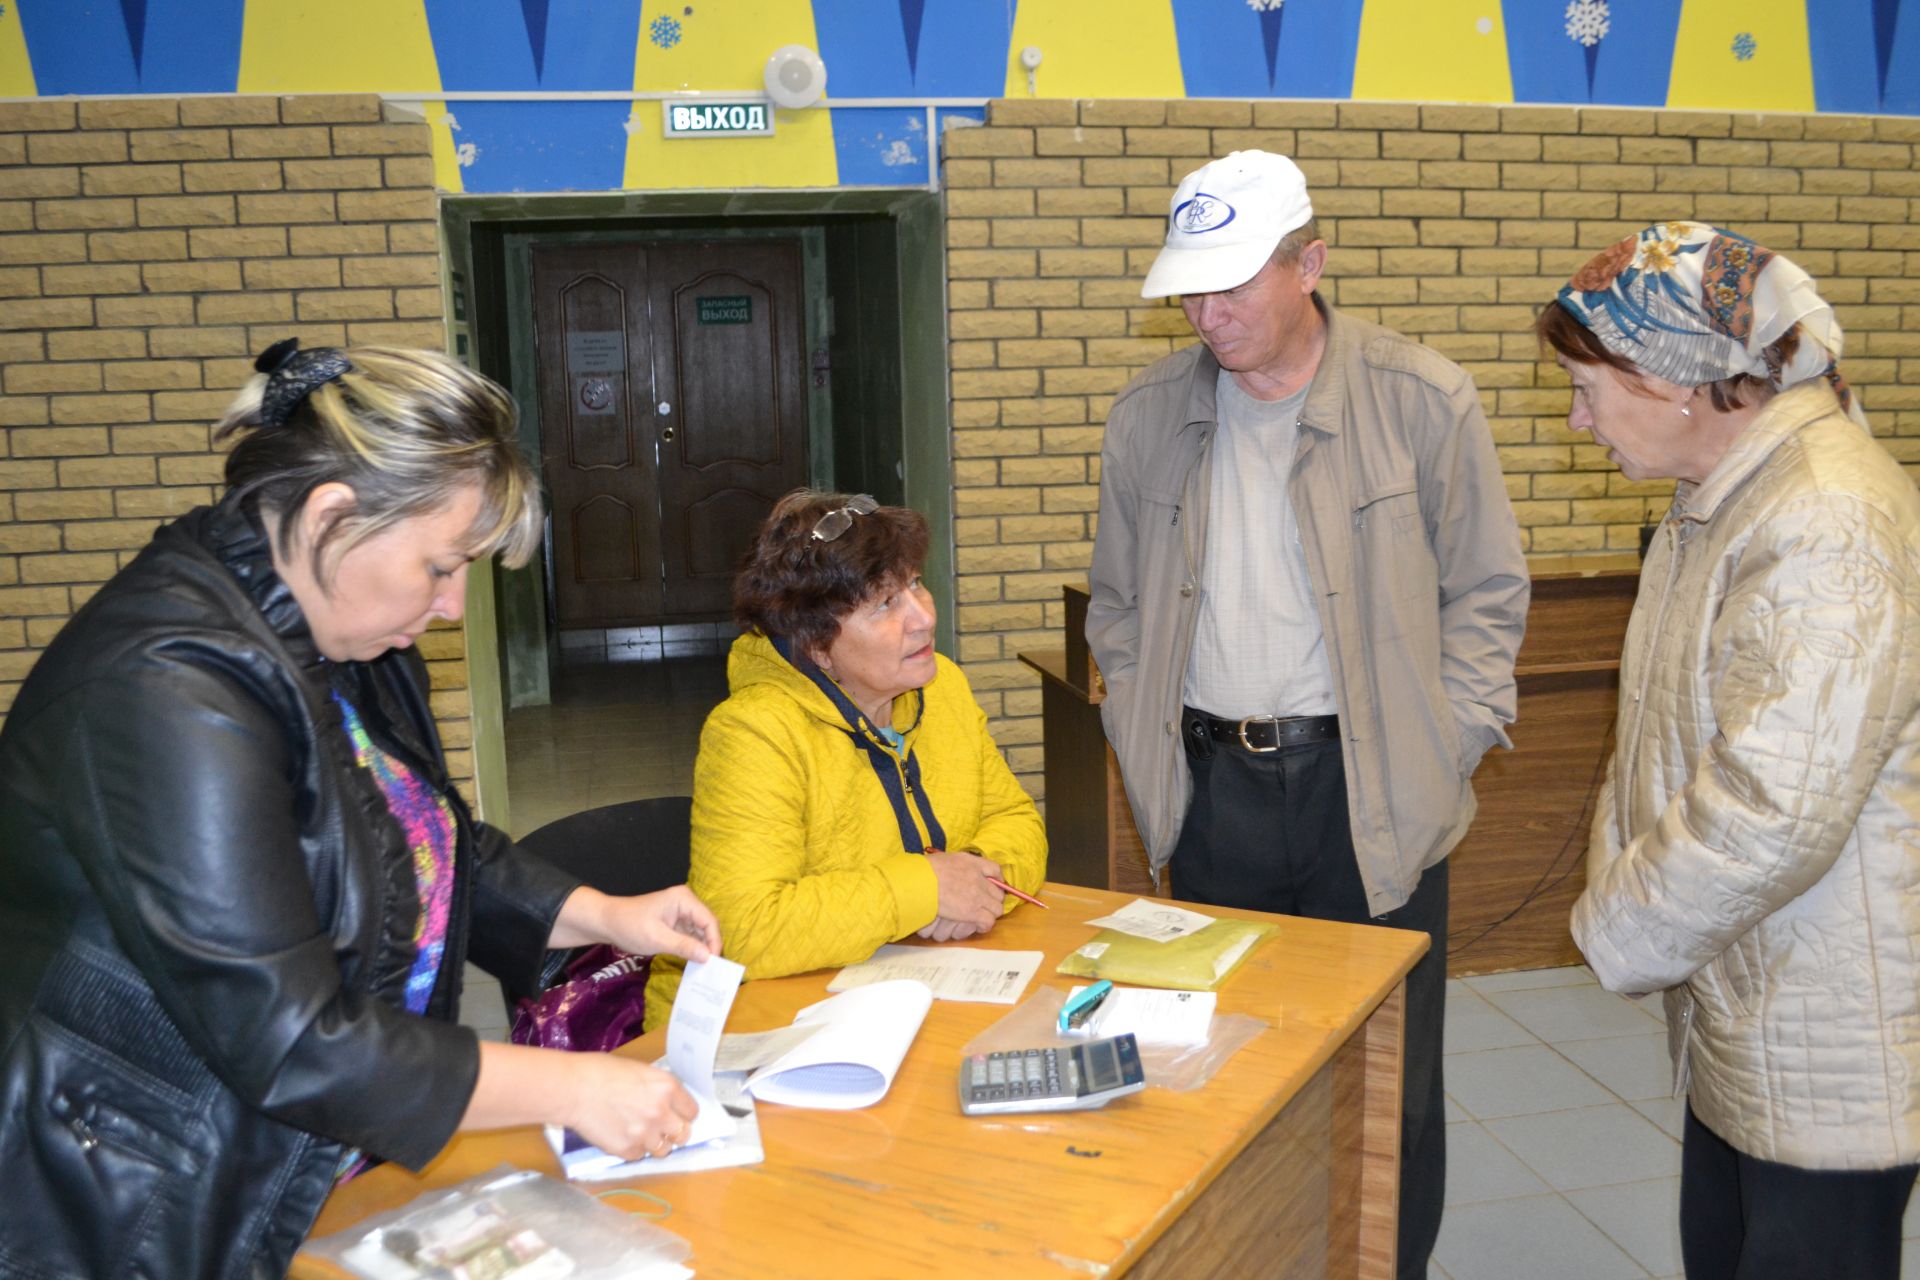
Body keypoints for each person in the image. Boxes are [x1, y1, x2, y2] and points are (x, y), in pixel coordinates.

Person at [0, 342, 724, 1278]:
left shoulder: (343, 633)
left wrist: (602, 913)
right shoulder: (164, 691)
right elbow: (289, 1036)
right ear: (331, 516)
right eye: (440, 565)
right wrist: (570, 1083)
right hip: (143, 1184)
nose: (454, 603)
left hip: (306, 1152)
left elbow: (419, 842)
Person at [1086, 150, 1529, 1277]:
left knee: (1393, 1079)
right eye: (1190, 288)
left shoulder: (1421, 397)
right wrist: (1149, 753)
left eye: (1232, 283)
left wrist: (1452, 742)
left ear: (1310, 263)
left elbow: (1488, 589)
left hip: (1373, 791)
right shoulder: (1149, 414)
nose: (1206, 311)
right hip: (1212, 788)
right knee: (1225, 1062)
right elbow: (1121, 605)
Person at [1546, 222, 1920, 1279]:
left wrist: (1619, 923)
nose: (1578, 422)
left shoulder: (1826, 515)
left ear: (1673, 380)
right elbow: (1666, 732)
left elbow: (1775, 803)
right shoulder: (1724, 495)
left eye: (1586, 388)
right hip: (1754, 999)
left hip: (1830, 1026)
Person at [645, 490, 1046, 1028]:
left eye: (916, 585)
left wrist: (973, 880)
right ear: (815, 644)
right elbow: (741, 930)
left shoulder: (943, 685)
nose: (923, 617)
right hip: (753, 1025)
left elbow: (1017, 821)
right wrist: (925, 889)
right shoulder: (754, 731)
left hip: (904, 990)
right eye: (885, 604)